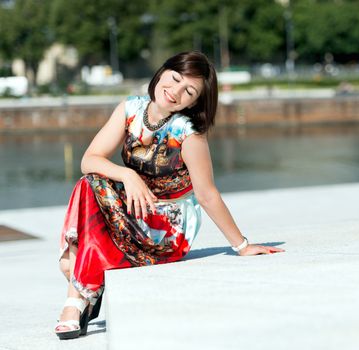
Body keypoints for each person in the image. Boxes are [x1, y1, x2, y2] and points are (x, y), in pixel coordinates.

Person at [54, 51, 285, 340]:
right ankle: (81, 290)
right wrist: (128, 174)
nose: (175, 92)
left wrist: (242, 245)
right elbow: (89, 159)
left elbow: (207, 194)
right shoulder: (130, 109)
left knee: (90, 196)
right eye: (174, 79)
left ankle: (75, 296)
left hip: (167, 228)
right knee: (90, 183)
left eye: (188, 90)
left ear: (195, 102)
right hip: (133, 207)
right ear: (162, 73)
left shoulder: (188, 133)